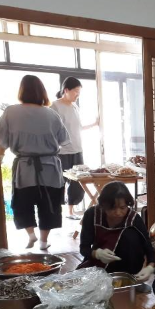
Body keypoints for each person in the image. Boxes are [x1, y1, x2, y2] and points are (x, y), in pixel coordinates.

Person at [0, 75, 69, 250]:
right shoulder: (52, 114)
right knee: (49, 203)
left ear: (21, 91)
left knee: (23, 202)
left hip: (25, 167)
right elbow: (64, 140)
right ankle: (44, 241)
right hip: (50, 167)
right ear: (42, 92)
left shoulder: (10, 112)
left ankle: (31, 235)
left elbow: (0, 142)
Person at [78, 181, 155, 285]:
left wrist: (150, 267)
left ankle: (129, 278)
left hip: (128, 265)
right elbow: (84, 248)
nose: (118, 213)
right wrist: (97, 254)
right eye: (112, 208)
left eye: (122, 208)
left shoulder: (134, 219)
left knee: (130, 235)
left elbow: (149, 248)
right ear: (103, 205)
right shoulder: (92, 215)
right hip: (99, 264)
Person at [51, 77, 99, 220]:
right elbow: (52, 130)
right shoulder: (55, 106)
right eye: (76, 91)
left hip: (77, 149)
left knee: (78, 181)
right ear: (66, 90)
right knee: (60, 181)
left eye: (79, 92)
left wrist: (94, 124)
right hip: (62, 151)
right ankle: (56, 212)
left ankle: (71, 211)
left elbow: (78, 128)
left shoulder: (74, 107)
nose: (78, 95)